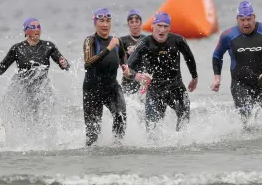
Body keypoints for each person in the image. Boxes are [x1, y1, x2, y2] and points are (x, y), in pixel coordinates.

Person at [0, 17, 70, 140]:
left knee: (39, 118)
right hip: (22, 89)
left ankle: (40, 140)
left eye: (39, 27)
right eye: (33, 27)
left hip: (41, 90)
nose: (37, 29)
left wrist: (64, 64)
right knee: (18, 113)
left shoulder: (48, 46)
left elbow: (63, 64)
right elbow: (1, 68)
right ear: (26, 31)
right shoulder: (17, 49)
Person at [211, 1, 262, 123]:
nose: (246, 23)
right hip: (239, 84)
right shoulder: (227, 35)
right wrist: (217, 78)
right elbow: (217, 55)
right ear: (237, 19)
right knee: (246, 117)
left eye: (249, 19)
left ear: (254, 17)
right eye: (242, 20)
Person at [123, 11, 198, 132]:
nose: (161, 30)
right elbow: (127, 68)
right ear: (152, 26)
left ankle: (180, 147)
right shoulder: (144, 43)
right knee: (151, 129)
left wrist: (194, 77)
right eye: (159, 26)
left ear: (169, 28)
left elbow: (189, 58)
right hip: (155, 90)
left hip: (176, 87)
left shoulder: (178, 41)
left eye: (165, 26)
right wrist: (136, 76)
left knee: (184, 119)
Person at [82, 8, 127, 146]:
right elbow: (88, 62)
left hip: (111, 87)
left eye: (108, 21)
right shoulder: (90, 41)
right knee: (93, 134)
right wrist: (108, 49)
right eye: (101, 21)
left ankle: (117, 147)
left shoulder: (116, 41)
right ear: (95, 23)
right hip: (92, 90)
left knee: (121, 116)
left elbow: (123, 57)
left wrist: (126, 67)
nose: (105, 25)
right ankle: (93, 162)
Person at [120, 9, 146, 94]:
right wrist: (127, 53)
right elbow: (119, 61)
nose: (134, 24)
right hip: (128, 78)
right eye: (131, 22)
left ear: (141, 23)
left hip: (143, 78)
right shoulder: (123, 40)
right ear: (128, 24)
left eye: (136, 21)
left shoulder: (147, 39)